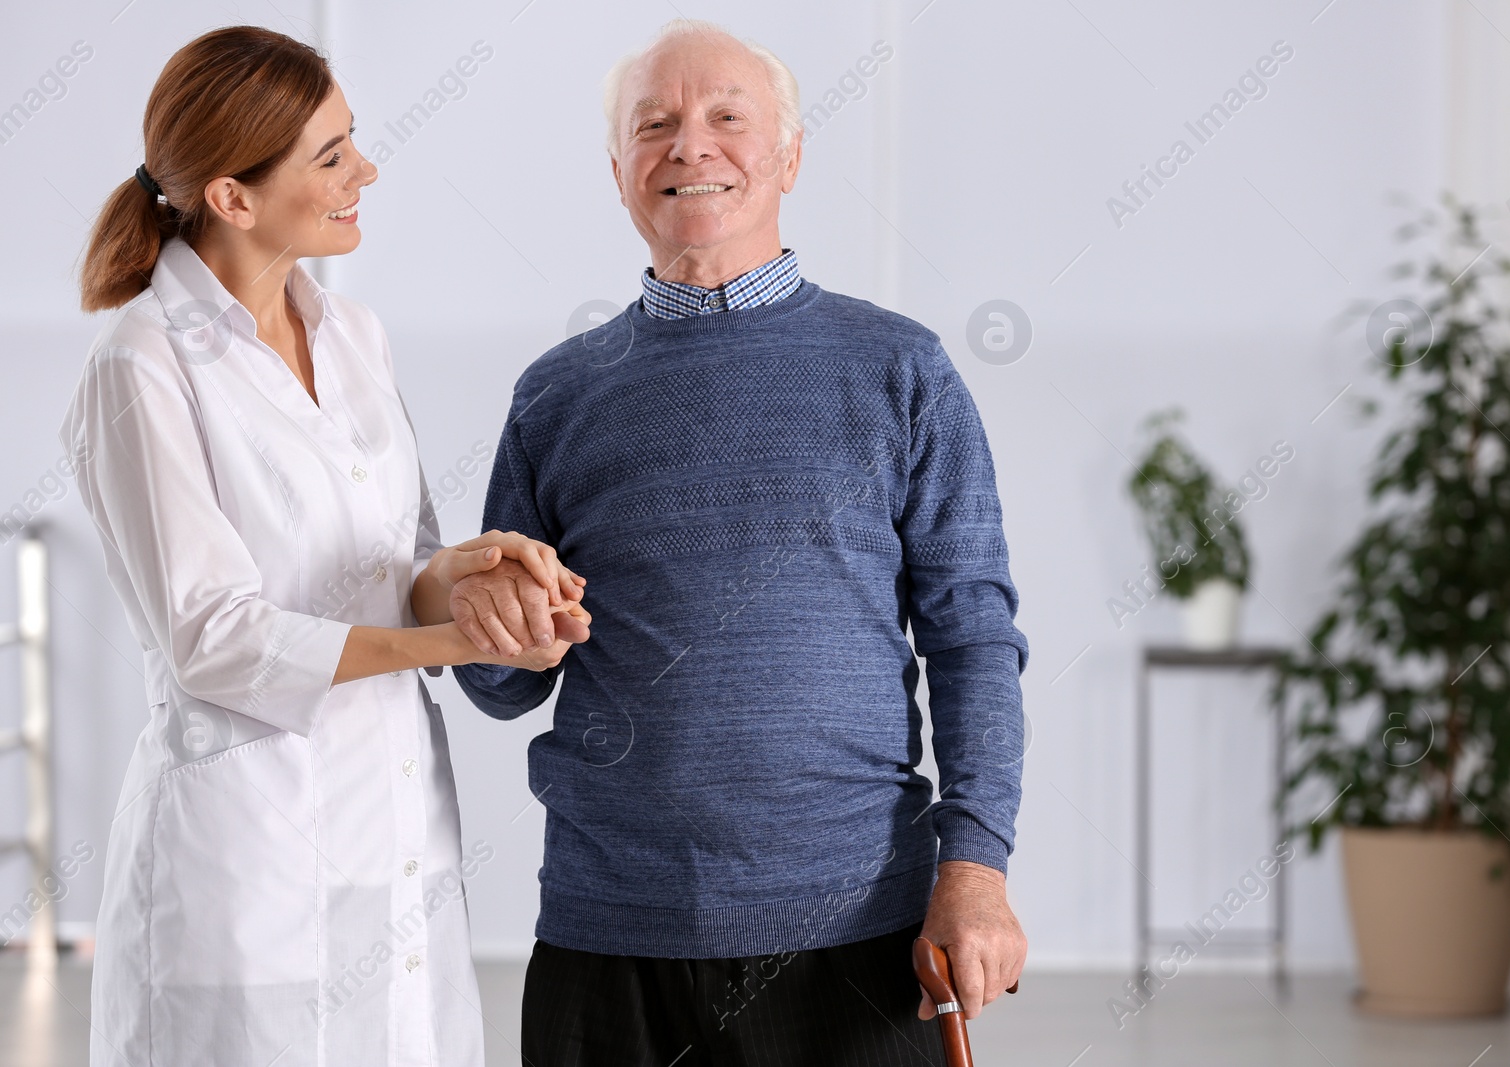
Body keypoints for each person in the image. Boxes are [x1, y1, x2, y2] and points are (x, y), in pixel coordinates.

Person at [451, 18, 1029, 1065]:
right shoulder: (556, 393)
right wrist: (495, 633)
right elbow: (500, 681)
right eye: (655, 124)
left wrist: (975, 866)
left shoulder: (901, 368)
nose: (690, 146)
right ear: (619, 167)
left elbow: (972, 634)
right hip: (607, 935)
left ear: (791, 155)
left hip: (852, 935)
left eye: (727, 117)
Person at [61, 26, 588, 1067]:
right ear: (232, 197)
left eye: (355, 141)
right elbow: (212, 638)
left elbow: (403, 560)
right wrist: (454, 646)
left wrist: (482, 574)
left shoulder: (352, 333)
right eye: (332, 155)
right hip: (242, 844)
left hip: (389, 822)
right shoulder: (143, 363)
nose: (367, 172)